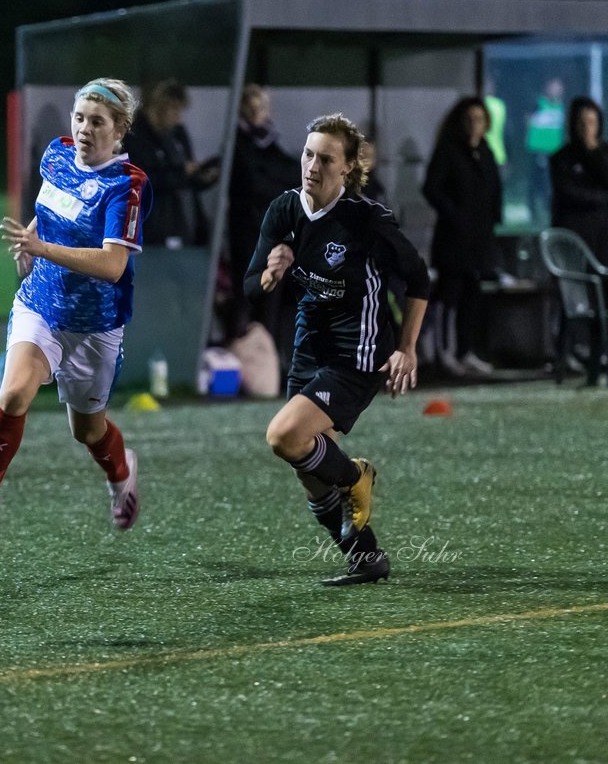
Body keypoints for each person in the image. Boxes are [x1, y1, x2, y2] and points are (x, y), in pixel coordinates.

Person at [0, 77, 152, 538]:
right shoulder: (56, 155)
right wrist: (35, 235)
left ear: (118, 132)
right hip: (40, 304)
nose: (83, 129)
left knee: (88, 432)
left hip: (94, 326)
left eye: (97, 122)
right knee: (14, 392)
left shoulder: (126, 185)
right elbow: (55, 206)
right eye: (79, 118)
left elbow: (114, 264)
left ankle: (121, 477)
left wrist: (41, 246)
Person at [244, 113, 430, 586]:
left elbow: (419, 277)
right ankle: (366, 560)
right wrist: (271, 272)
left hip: (360, 352)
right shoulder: (284, 210)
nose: (312, 166)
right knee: (307, 467)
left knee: (284, 436)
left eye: (326, 159)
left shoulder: (365, 220)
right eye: (308, 154)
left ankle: (356, 478)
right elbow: (251, 287)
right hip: (310, 345)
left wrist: (407, 348)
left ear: (348, 169)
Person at [422, 96, 504, 377]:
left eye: (480, 120)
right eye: (469, 119)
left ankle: (465, 351)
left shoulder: (486, 152)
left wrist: (494, 219)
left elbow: (494, 189)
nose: (474, 125)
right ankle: (444, 351)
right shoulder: (448, 152)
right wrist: (455, 215)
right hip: (453, 241)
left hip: (479, 241)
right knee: (450, 294)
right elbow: (432, 188)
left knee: (472, 293)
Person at [221, 83, 299, 346]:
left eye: (262, 106)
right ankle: (239, 359)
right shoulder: (237, 142)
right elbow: (252, 184)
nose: (257, 112)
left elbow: (293, 174)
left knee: (272, 299)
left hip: (274, 235)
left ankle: (266, 361)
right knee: (247, 297)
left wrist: (273, 182)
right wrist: (275, 184)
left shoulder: (270, 140)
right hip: (247, 236)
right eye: (252, 106)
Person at [550, 95, 608, 302]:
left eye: (592, 122)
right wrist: (603, 198)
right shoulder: (562, 159)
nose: (587, 128)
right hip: (576, 244)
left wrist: (594, 152)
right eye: (582, 123)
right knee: (578, 303)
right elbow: (568, 193)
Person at [122, 79, 218, 248]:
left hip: (186, 224)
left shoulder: (178, 135)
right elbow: (140, 182)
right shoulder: (134, 138)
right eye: (173, 109)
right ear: (157, 107)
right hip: (156, 226)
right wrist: (182, 172)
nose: (177, 116)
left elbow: (187, 182)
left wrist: (203, 177)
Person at [525, 76, 565, 225]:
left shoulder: (561, 107)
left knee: (550, 184)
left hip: (555, 152)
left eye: (559, 87)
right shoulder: (538, 103)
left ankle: (550, 212)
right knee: (536, 182)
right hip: (539, 150)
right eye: (554, 86)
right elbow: (528, 120)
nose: (556, 90)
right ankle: (533, 211)